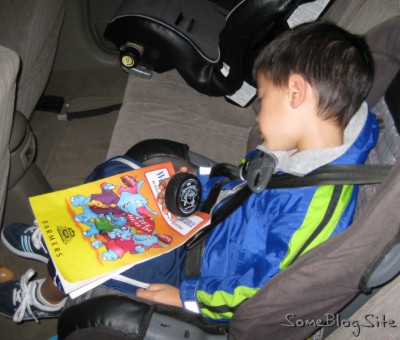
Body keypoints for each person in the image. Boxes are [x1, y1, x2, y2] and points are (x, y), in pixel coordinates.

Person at [0, 21, 378, 323]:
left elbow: (263, 292)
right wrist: (197, 176)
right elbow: (239, 187)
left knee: (100, 257)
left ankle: (47, 296)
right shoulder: (300, 146)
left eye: (263, 100)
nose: (258, 114)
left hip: (195, 272)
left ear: (296, 94)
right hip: (200, 225)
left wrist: (185, 297)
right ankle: (57, 240)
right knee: (120, 171)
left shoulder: (315, 208)